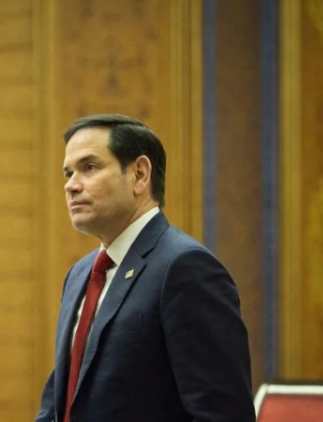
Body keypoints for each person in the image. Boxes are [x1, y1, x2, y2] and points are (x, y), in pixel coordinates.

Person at [35, 114, 254, 422]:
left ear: (139, 174)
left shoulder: (185, 268)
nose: (71, 186)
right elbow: (57, 404)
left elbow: (222, 414)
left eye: (89, 168)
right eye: (68, 173)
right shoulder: (80, 275)